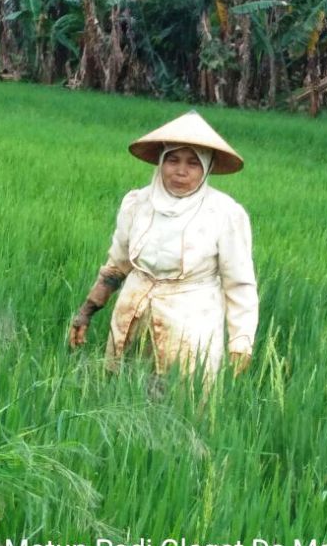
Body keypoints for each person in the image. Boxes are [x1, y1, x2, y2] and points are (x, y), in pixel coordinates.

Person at [69, 111, 258, 380]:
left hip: (191, 322)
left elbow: (239, 284)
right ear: (160, 162)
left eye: (193, 163)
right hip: (132, 312)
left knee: (184, 400)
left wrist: (241, 342)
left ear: (206, 168)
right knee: (122, 391)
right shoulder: (137, 203)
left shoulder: (225, 214)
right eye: (173, 160)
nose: (181, 171)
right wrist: (86, 312)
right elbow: (117, 264)